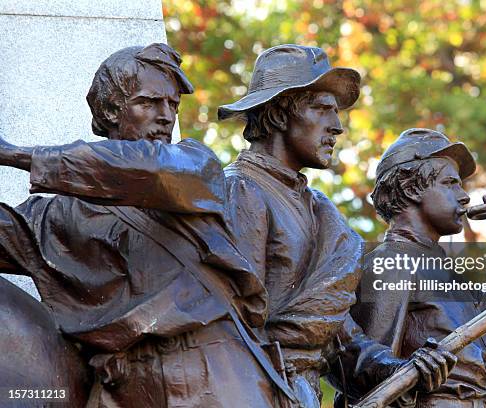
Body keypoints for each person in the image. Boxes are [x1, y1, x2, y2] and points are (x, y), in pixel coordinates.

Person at [0, 43, 284, 407]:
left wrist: (15, 154)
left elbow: (145, 170)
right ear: (109, 110)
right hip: (125, 388)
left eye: (173, 106)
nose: (166, 116)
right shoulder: (53, 217)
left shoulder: (195, 167)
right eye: (149, 102)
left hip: (215, 374)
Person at [218, 45, 457, 407]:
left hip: (301, 393)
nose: (337, 126)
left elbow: (339, 332)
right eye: (322, 108)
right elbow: (235, 321)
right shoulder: (243, 190)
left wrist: (395, 368)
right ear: (282, 112)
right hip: (256, 390)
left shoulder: (321, 212)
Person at [351, 128, 486, 407]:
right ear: (410, 189)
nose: (464, 196)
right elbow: (363, 379)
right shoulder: (390, 264)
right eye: (450, 183)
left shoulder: (456, 281)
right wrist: (404, 369)